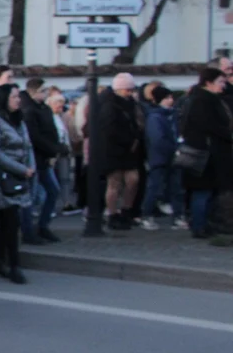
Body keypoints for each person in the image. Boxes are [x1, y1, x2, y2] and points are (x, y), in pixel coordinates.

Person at [0, 84, 32, 284]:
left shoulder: (18, 121)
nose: (18, 100)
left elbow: (27, 146)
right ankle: (13, 265)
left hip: (17, 176)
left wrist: (29, 167)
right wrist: (21, 169)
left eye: (18, 97)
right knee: (10, 220)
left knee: (8, 221)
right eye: (14, 97)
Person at [182, 68, 233, 239]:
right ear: (209, 82)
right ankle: (199, 225)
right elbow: (210, 126)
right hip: (205, 154)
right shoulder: (202, 101)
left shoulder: (207, 99)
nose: (223, 86)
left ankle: (206, 224)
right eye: (220, 82)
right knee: (202, 191)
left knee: (208, 191)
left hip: (211, 153)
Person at [98, 73, 145, 231]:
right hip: (114, 149)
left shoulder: (131, 104)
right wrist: (129, 139)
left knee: (133, 179)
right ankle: (112, 213)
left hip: (129, 147)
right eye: (128, 90)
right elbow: (109, 129)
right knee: (115, 182)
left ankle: (126, 209)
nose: (131, 93)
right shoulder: (109, 105)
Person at [20, 78, 62, 243]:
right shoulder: (30, 110)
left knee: (53, 191)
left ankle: (42, 226)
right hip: (35, 159)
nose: (46, 93)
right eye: (43, 90)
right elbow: (35, 137)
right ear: (35, 92)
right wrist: (53, 149)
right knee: (31, 196)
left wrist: (55, 149)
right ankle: (28, 231)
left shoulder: (44, 108)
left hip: (44, 158)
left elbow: (51, 130)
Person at [142, 85, 183, 231]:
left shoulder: (171, 115)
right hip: (160, 158)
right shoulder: (155, 117)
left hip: (170, 157)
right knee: (155, 187)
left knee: (175, 188)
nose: (170, 100)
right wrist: (173, 150)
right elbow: (157, 139)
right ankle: (147, 215)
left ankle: (178, 216)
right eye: (167, 98)